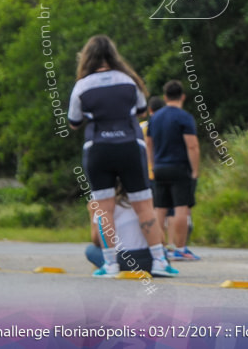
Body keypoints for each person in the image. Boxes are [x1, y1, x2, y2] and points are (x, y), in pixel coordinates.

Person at [68, 35, 178, 278]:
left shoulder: (82, 86)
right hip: (129, 144)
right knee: (144, 206)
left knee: (103, 209)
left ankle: (110, 264)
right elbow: (140, 111)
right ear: (113, 55)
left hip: (97, 149)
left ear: (86, 58)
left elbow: (74, 122)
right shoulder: (129, 81)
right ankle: (160, 260)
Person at [146, 80, 201, 261]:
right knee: (180, 208)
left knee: (160, 209)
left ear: (165, 97)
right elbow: (192, 146)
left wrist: (152, 165)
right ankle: (180, 248)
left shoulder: (154, 118)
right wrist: (194, 170)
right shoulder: (184, 117)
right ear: (182, 97)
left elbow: (149, 144)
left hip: (159, 168)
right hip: (179, 166)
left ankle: (158, 247)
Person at [85, 181, 153, 273]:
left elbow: (97, 241)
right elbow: (161, 240)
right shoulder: (144, 205)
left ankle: (110, 265)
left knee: (91, 250)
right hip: (148, 260)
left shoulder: (104, 206)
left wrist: (92, 212)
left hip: (122, 260)